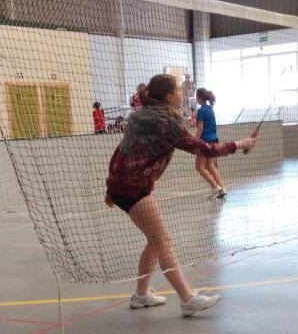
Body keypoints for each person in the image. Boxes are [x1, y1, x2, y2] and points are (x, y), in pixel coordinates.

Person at [105, 74, 256, 315]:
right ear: (168, 96)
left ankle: (141, 295)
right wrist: (239, 144)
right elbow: (204, 149)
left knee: (155, 241)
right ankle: (187, 299)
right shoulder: (165, 123)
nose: (182, 95)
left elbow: (119, 153)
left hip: (126, 185)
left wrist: (110, 184)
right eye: (178, 91)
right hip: (131, 188)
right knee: (163, 240)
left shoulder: (140, 116)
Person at [194, 88, 227, 199]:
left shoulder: (201, 110)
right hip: (214, 140)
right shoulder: (210, 109)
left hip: (205, 141)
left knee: (199, 166)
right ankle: (222, 188)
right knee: (210, 165)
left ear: (200, 98)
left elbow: (200, 128)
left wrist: (195, 142)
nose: (195, 98)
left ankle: (215, 187)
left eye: (196, 96)